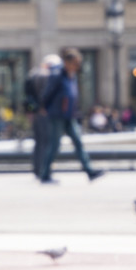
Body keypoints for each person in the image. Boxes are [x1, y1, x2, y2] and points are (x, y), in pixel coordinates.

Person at [36, 48, 104, 184]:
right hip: (57, 115)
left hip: (69, 115)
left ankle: (89, 171)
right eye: (76, 62)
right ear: (67, 62)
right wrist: (43, 107)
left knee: (78, 142)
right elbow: (48, 92)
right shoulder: (57, 74)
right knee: (54, 145)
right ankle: (45, 174)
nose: (78, 66)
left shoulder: (71, 74)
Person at [24, 55, 58, 184]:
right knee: (46, 141)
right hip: (44, 113)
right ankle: (44, 169)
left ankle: (37, 169)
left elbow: (27, 96)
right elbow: (47, 95)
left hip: (35, 113)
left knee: (39, 142)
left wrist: (30, 111)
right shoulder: (45, 76)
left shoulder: (32, 74)